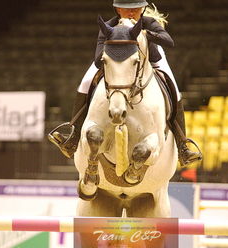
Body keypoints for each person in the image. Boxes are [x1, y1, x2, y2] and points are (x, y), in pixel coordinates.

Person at [48, 0, 202, 166]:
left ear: (143, 9)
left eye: (136, 9)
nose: (131, 13)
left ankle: (182, 146)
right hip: (115, 63)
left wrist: (146, 35)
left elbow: (168, 41)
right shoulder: (108, 27)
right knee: (86, 82)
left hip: (152, 61)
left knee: (174, 88)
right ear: (117, 9)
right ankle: (73, 135)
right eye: (127, 9)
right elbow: (98, 60)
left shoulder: (148, 23)